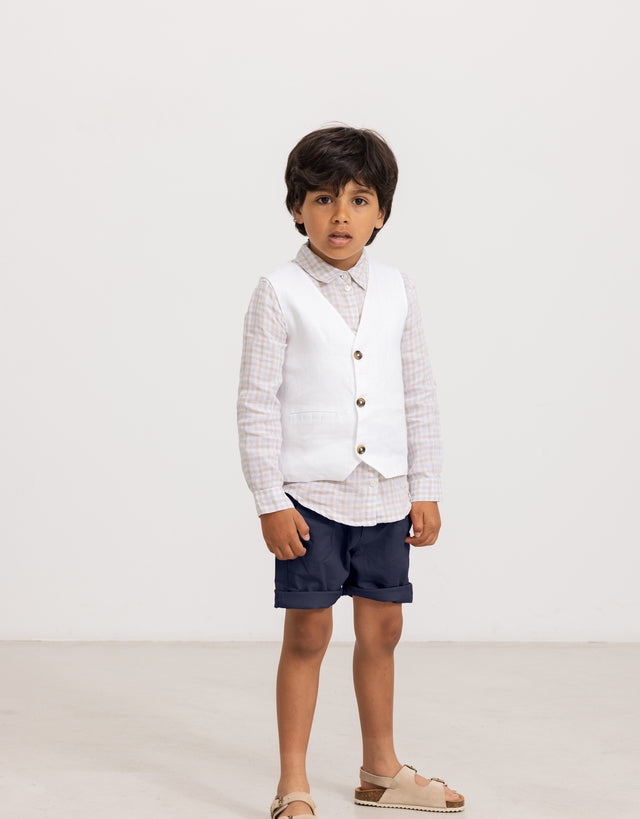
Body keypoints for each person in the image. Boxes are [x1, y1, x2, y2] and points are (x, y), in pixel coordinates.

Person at [237, 125, 465, 817]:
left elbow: (419, 394)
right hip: (309, 497)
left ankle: (380, 770)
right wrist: (269, 499)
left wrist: (424, 488)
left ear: (381, 212)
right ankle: (293, 783)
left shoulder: (397, 289)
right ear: (297, 208)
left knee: (383, 630)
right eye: (323, 198)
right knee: (308, 635)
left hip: (387, 494)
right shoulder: (277, 291)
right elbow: (255, 403)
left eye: (359, 199)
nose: (340, 215)